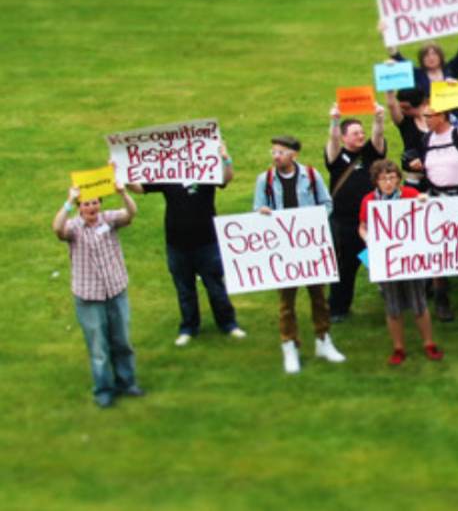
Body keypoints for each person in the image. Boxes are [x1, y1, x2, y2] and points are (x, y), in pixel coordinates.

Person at [130, 144, 244, 345]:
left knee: (215, 286)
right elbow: (139, 187)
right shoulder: (167, 175)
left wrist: (226, 159)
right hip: (177, 244)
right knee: (184, 290)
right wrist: (123, 174)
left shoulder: (205, 173)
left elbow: (226, 178)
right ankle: (189, 327)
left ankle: (228, 324)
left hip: (207, 242)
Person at [253, 135, 346, 374]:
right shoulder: (264, 180)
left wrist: (310, 223)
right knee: (286, 302)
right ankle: (289, 344)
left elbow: (326, 203)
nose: (276, 156)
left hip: (310, 245)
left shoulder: (312, 176)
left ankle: (323, 340)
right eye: (273, 152)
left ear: (294, 155)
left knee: (319, 297)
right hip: (283, 249)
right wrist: (263, 212)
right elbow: (257, 210)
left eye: (281, 152)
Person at [54, 178, 143, 408]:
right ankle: (104, 390)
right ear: (80, 207)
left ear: (100, 203)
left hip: (115, 291)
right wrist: (68, 202)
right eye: (86, 204)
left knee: (122, 341)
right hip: (88, 297)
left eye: (94, 203)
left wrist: (123, 193)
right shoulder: (74, 227)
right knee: (98, 348)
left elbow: (131, 213)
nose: (91, 208)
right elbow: (57, 228)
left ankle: (127, 383)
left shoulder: (109, 219)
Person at [357, 160, 441, 366]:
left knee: (419, 304)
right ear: (376, 181)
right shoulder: (369, 201)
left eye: (392, 177)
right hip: (385, 260)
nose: (388, 183)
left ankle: (429, 343)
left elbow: (429, 213)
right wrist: (368, 239)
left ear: (398, 179)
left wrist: (424, 200)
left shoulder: (410, 195)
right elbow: (363, 226)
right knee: (392, 306)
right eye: (383, 178)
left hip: (409, 259)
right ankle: (398, 346)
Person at [404, 100, 458, 322]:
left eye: (429, 116)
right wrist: (420, 165)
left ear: (443, 116)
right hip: (437, 199)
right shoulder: (427, 139)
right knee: (438, 251)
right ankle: (441, 300)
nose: (425, 120)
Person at [324, 103, 388, 322]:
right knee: (345, 269)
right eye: (355, 133)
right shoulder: (336, 159)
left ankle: (395, 304)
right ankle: (338, 308)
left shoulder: (371, 153)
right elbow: (331, 143)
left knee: (380, 263)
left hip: (373, 223)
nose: (360, 136)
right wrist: (334, 121)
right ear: (343, 138)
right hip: (345, 225)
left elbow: (378, 138)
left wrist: (378, 118)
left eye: (362, 132)